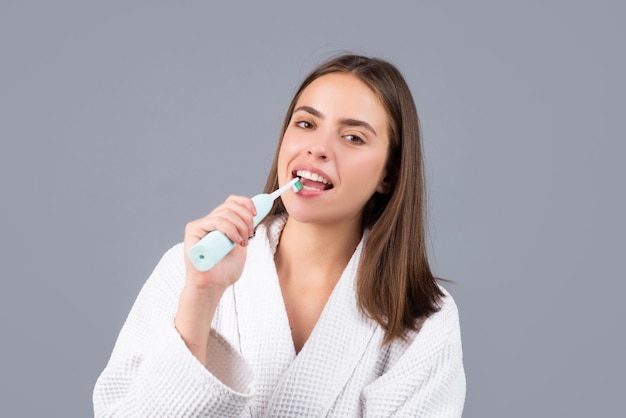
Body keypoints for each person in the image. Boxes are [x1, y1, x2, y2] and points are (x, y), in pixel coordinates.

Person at [93, 54, 465, 417]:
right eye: (305, 124)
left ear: (389, 174)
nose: (317, 148)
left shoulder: (421, 316)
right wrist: (201, 297)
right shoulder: (186, 270)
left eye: (352, 137)